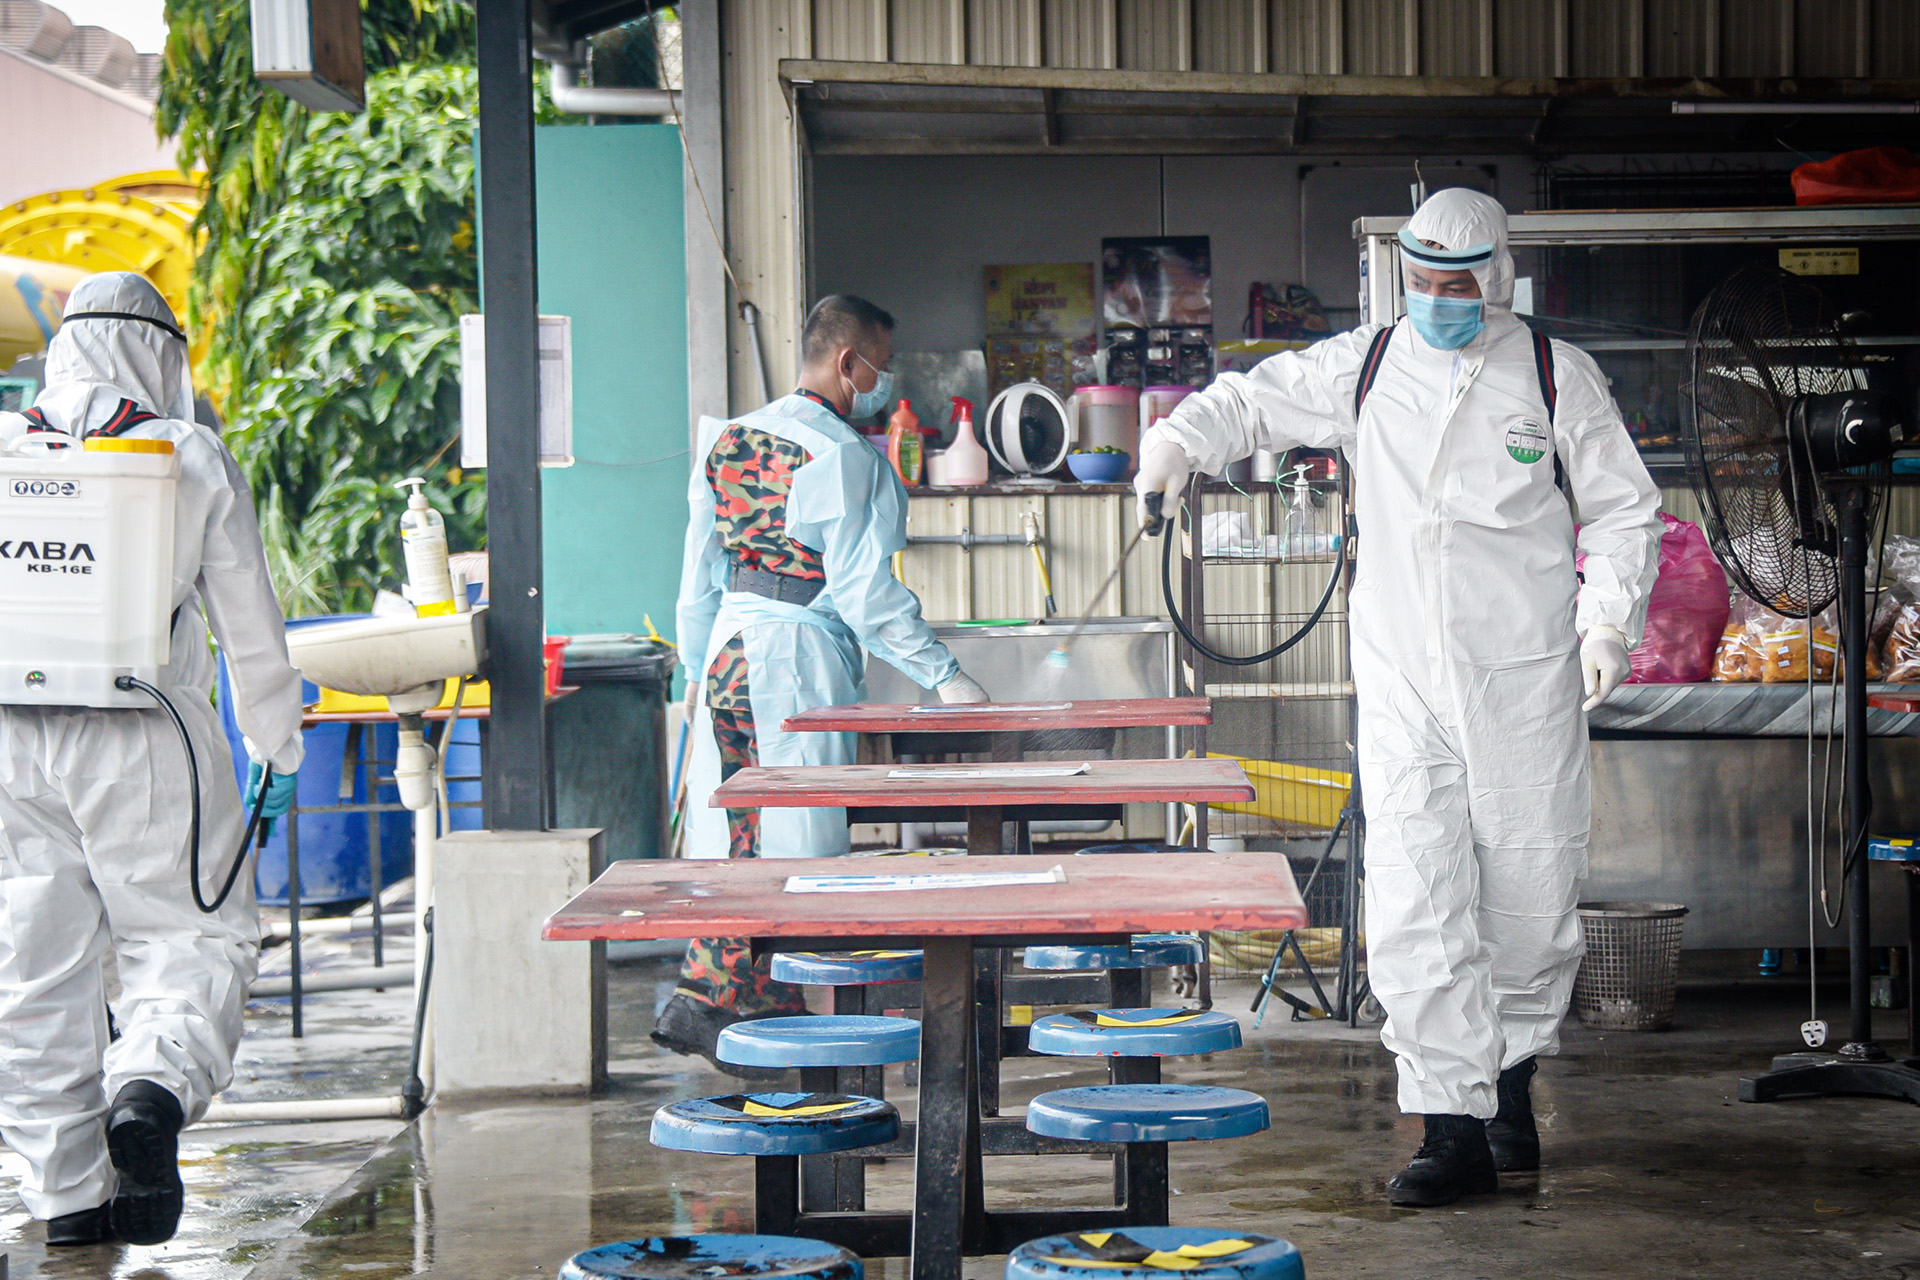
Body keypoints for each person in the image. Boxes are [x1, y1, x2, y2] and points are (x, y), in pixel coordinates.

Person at [1134, 189, 1661, 1207]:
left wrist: (1607, 624)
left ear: (1497, 278)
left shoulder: (1555, 374)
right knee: (1418, 895)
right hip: (1404, 674)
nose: (1438, 300)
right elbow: (1247, 399)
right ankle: (1448, 1122)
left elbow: (1626, 513)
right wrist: (1176, 442)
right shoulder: (1367, 366)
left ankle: (1507, 1083)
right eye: (1422, 282)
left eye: (1458, 285)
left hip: (1526, 679)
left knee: (1530, 892)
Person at [0, 273, 305, 1247]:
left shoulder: (6, 453)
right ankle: (150, 1091)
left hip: (12, 735)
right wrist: (277, 740)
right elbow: (250, 627)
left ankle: (67, 1200)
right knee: (194, 935)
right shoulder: (185, 453)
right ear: (157, 352)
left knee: (35, 969)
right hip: (142, 735)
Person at [659, 294, 988, 1071]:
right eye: (882, 363)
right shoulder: (844, 455)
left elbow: (695, 581)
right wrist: (946, 678)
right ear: (849, 363)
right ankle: (768, 1026)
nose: (884, 379)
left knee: (737, 843)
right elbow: (867, 598)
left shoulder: (728, 440)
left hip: (724, 657)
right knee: (797, 856)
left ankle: (717, 999)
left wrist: (691, 684)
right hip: (793, 661)